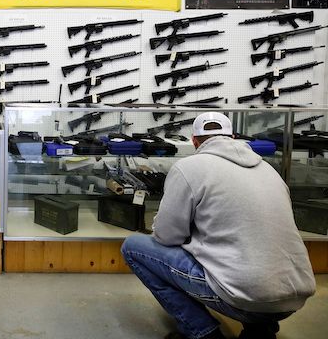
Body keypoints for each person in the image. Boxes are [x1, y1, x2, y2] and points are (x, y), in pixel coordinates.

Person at [121, 112, 316, 339]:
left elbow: (167, 236)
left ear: (194, 141)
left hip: (244, 297)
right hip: (293, 297)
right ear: (232, 137)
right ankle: (260, 330)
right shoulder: (268, 169)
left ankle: (203, 332)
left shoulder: (189, 167)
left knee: (133, 247)